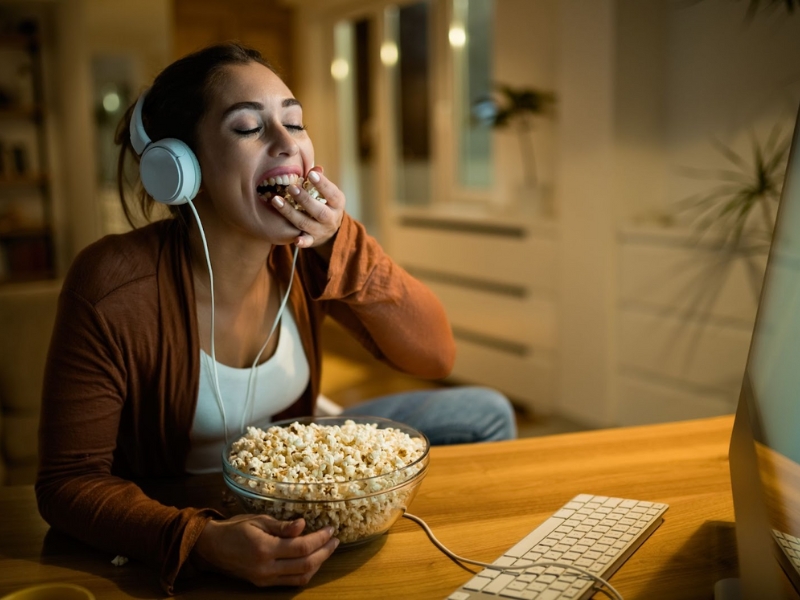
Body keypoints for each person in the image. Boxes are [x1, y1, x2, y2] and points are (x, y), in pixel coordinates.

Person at [35, 42, 516, 594]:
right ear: (181, 167)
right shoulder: (113, 282)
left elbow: (434, 356)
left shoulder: (305, 252)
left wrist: (343, 240)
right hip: (186, 505)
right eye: (247, 128)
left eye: (295, 122)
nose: (289, 144)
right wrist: (199, 540)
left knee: (484, 412)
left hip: (298, 488)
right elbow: (66, 483)